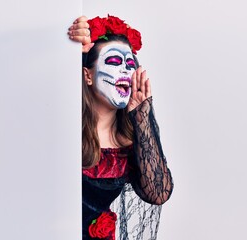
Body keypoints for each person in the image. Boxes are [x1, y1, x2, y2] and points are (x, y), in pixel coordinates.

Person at [68, 15, 173, 240]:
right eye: (114, 62)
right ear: (87, 74)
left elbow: (158, 193)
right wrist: (66, 46)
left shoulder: (131, 136)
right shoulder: (65, 127)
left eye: (130, 65)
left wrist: (141, 114)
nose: (125, 71)